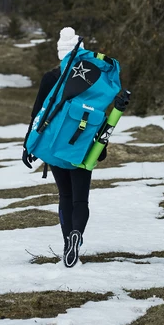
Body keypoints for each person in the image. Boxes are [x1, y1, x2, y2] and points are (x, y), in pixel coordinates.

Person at [22, 27, 107, 268]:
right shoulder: (94, 78)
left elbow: (37, 114)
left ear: (61, 53)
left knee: (65, 196)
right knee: (81, 199)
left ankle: (67, 246)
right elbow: (100, 114)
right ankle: (76, 237)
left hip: (54, 146)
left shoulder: (51, 77)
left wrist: (28, 144)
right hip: (83, 147)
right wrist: (102, 146)